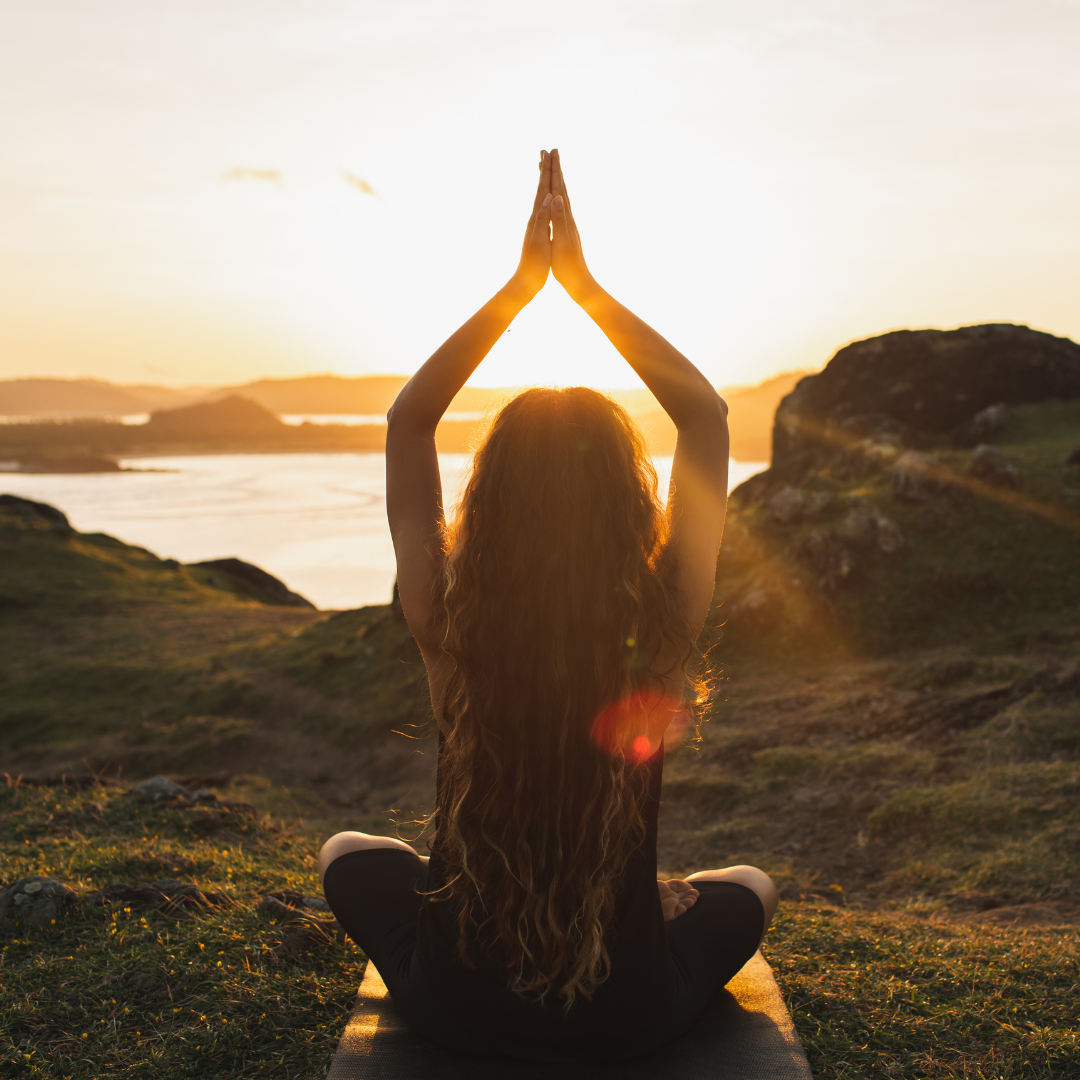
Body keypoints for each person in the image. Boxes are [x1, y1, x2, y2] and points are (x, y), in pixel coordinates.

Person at [318, 149, 778, 1063]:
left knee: (345, 850)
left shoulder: (451, 627)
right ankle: (643, 903)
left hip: (461, 1010)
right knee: (750, 884)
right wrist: (586, 288)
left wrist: (523, 288)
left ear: (490, 500)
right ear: (625, 501)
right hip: (628, 1012)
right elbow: (706, 419)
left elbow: (409, 419)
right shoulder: (660, 628)